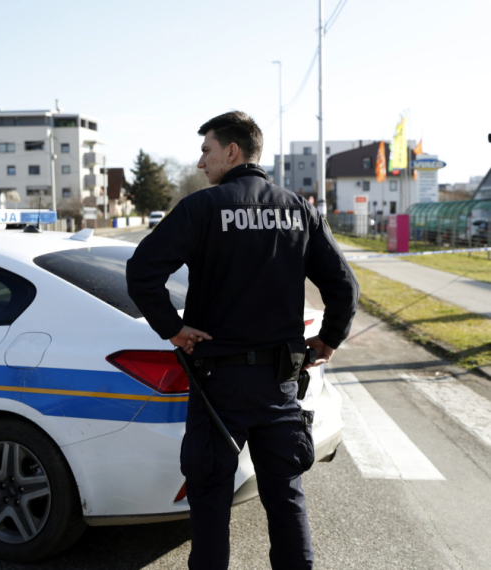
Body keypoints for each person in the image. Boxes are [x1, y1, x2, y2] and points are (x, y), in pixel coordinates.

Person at [126, 111, 359, 570]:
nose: (200, 163)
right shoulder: (298, 210)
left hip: (218, 386)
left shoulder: (201, 209)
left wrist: (171, 328)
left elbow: (141, 273)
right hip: (280, 384)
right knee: (286, 500)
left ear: (232, 151)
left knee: (210, 505)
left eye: (206, 150)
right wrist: (328, 341)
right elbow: (345, 287)